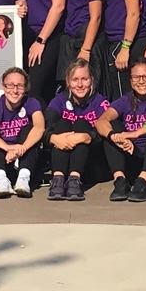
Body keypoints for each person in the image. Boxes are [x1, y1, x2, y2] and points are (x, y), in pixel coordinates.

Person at [97, 59, 146, 201]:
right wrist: (115, 136)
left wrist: (136, 133)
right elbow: (101, 121)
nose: (141, 81)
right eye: (136, 77)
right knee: (111, 126)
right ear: (130, 79)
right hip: (132, 155)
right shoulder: (125, 100)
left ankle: (144, 182)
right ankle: (120, 180)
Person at [43, 59, 113, 200]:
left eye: (84, 79)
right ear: (68, 82)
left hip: (91, 162)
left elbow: (107, 132)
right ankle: (58, 179)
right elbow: (46, 128)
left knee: (81, 123)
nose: (80, 84)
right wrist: (53, 138)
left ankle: (75, 180)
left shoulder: (101, 102)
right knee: (62, 123)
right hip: (62, 159)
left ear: (91, 80)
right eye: (75, 80)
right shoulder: (59, 100)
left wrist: (87, 136)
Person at [0, 67, 45, 198]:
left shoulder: (31, 103)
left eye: (20, 86)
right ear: (3, 86)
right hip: (1, 158)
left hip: (23, 158)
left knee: (29, 129)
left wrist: (22, 148)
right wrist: (7, 147)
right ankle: (1, 180)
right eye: (10, 85)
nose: (14, 91)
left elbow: (39, 127)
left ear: (26, 88)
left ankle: (23, 179)